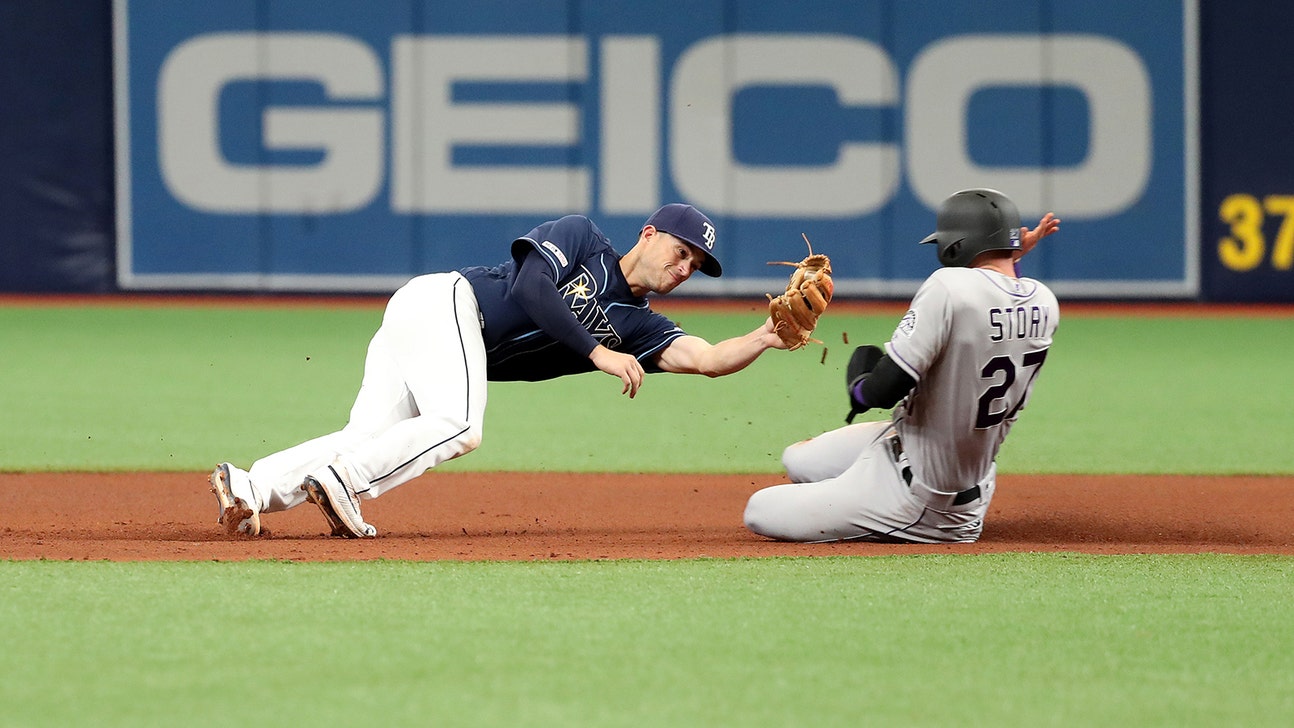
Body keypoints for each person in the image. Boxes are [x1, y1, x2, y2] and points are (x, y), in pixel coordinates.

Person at [211, 203, 791, 538]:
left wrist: (766, 336)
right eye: (681, 249)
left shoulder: (638, 326)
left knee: (365, 438)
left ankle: (252, 487)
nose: (684, 265)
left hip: (440, 333)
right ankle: (346, 482)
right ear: (648, 233)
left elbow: (708, 359)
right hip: (446, 302)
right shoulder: (584, 238)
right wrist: (596, 352)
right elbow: (532, 284)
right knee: (461, 424)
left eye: (695, 262)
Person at [743, 188, 1060, 544]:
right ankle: (855, 493)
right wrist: (1012, 255)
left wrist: (859, 379)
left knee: (759, 508)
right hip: (959, 467)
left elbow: (879, 392)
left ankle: (879, 513)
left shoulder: (949, 286)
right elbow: (1001, 293)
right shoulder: (1045, 302)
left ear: (955, 247)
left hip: (923, 498)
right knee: (799, 461)